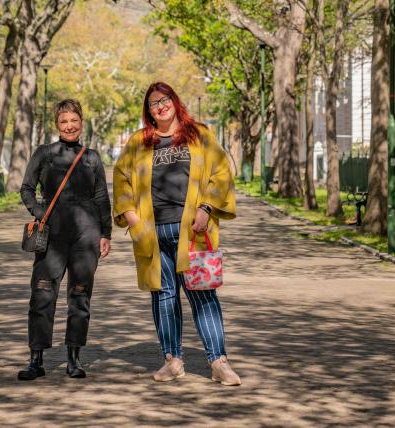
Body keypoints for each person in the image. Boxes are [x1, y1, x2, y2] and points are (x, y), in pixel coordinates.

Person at [112, 82, 241, 386]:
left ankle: (218, 361)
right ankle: (173, 360)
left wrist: (207, 208)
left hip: (192, 231)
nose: (161, 106)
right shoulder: (138, 142)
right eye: (154, 103)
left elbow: (221, 172)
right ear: (149, 111)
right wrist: (133, 221)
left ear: (175, 101)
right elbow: (121, 181)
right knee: (164, 297)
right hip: (152, 233)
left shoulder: (198, 135)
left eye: (165, 99)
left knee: (202, 295)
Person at [18, 99, 112, 380]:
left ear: (81, 122)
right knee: (42, 294)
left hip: (86, 236)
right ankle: (36, 359)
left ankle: (74, 357)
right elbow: (26, 188)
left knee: (80, 295)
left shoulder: (92, 157)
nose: (69, 126)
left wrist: (106, 233)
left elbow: (101, 198)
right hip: (53, 236)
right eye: (64, 122)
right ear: (57, 125)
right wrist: (40, 212)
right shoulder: (45, 153)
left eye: (74, 120)